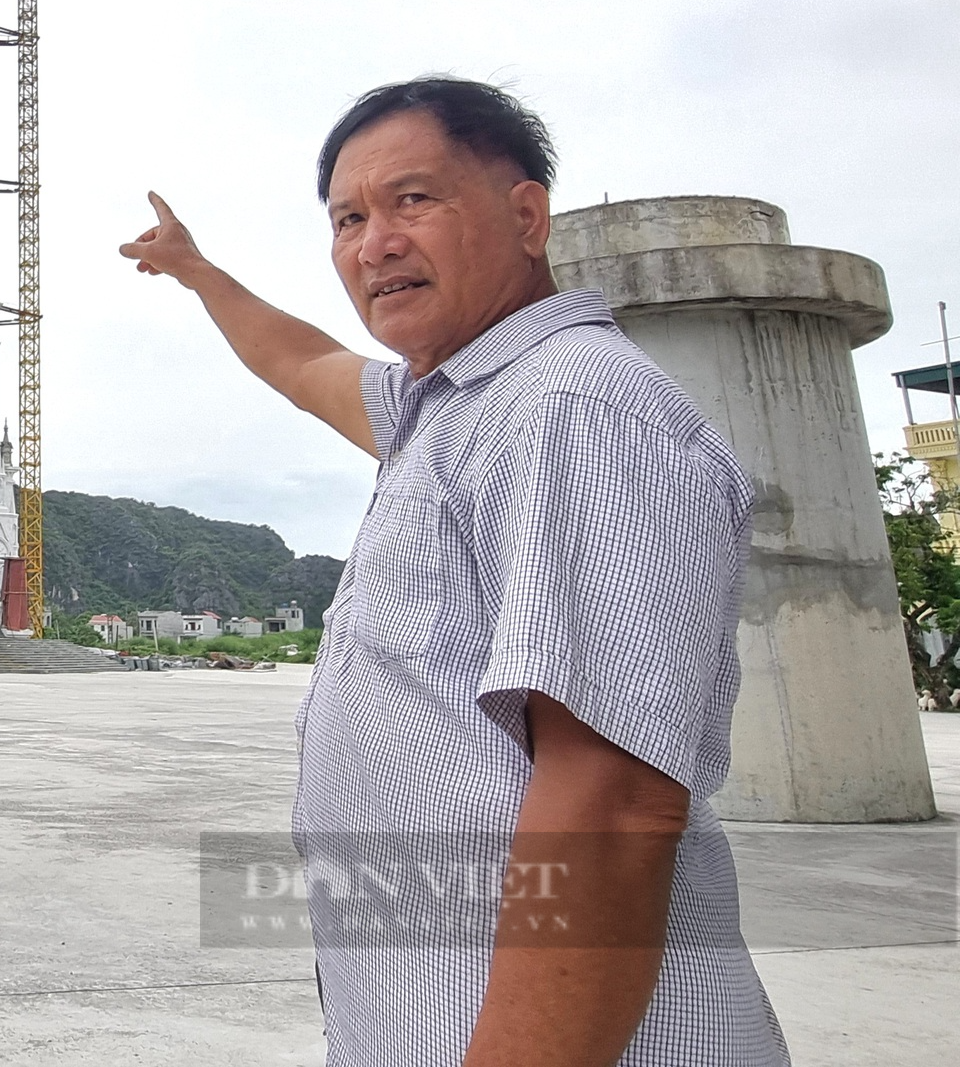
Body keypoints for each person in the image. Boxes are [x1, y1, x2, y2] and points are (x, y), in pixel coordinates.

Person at [122, 78, 786, 1067]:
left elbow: (610, 801)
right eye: (347, 217)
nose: (372, 242)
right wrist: (196, 271)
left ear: (524, 216)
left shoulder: (570, 407)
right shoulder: (448, 407)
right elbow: (305, 365)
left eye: (412, 201)